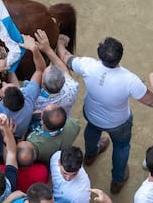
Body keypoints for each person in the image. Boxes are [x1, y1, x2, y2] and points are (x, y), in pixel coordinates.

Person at [58, 35, 153, 194]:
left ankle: (90, 155)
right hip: (118, 122)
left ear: (99, 54)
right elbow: (150, 101)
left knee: (92, 131)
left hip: (92, 114)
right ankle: (117, 180)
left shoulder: (88, 65)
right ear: (120, 56)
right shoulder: (130, 79)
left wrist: (61, 43)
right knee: (121, 147)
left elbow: (65, 57)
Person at [0, 34, 45, 162]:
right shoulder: (28, 99)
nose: (4, 82)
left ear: (2, 102)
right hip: (16, 143)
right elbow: (40, 70)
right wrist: (33, 50)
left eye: (4, 87)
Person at [33, 29, 79, 118]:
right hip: (62, 120)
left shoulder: (35, 101)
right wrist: (48, 49)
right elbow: (65, 70)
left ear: (42, 84)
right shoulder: (72, 89)